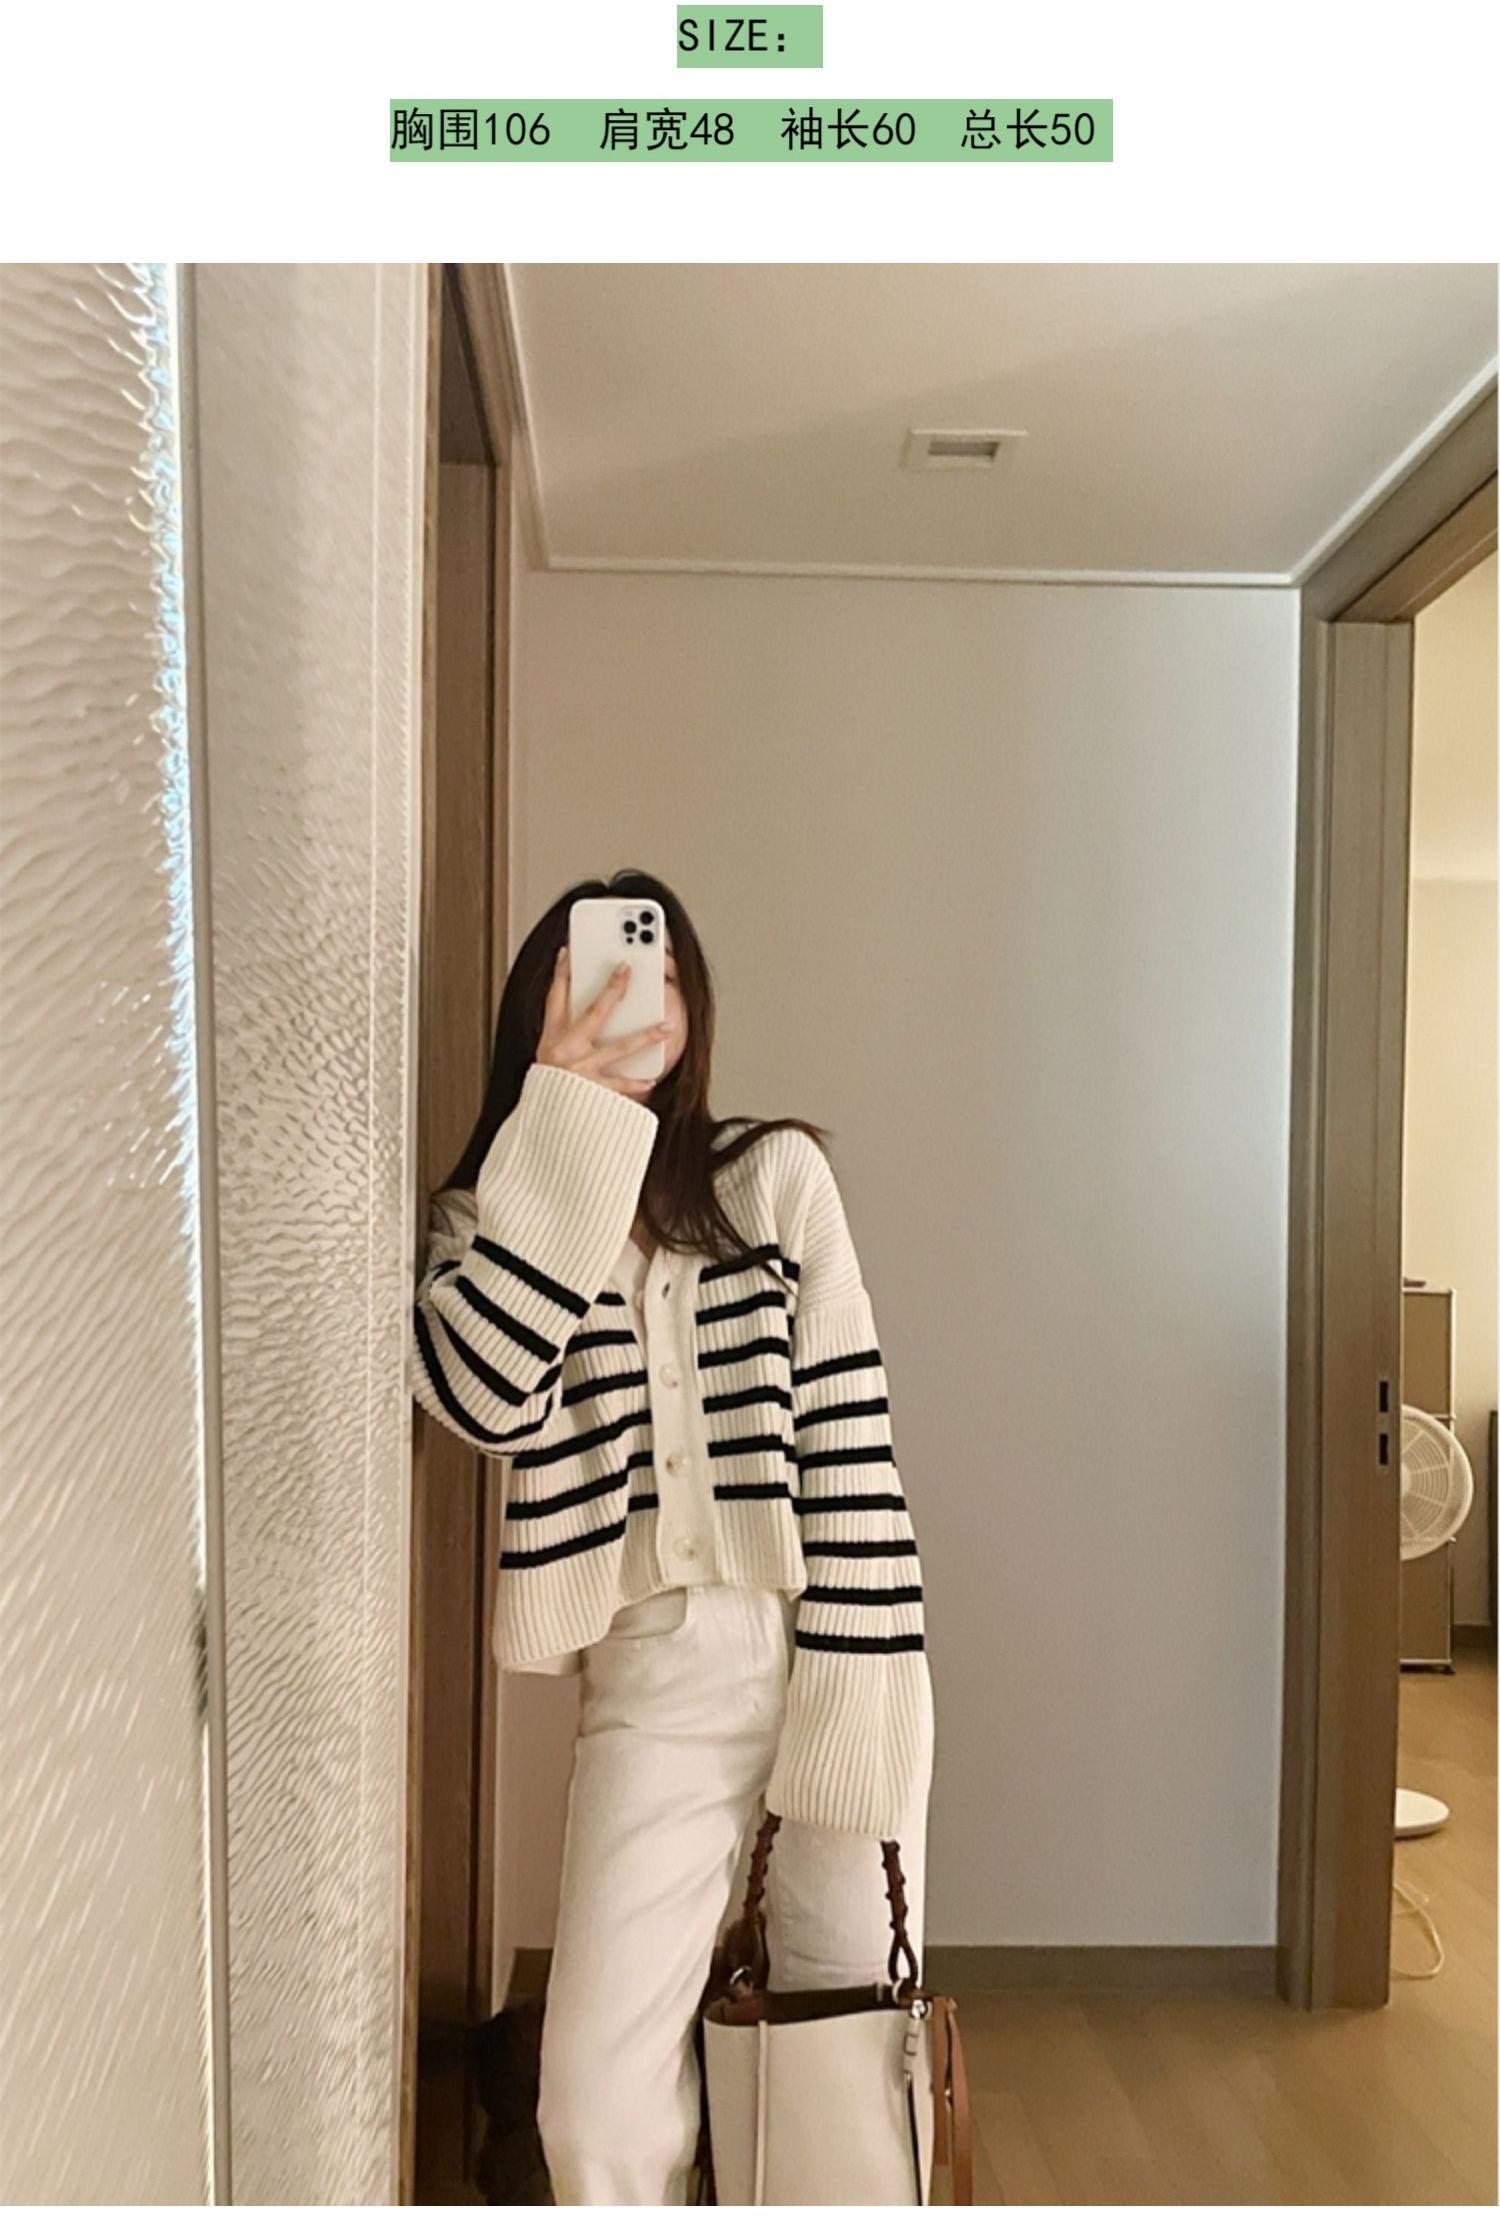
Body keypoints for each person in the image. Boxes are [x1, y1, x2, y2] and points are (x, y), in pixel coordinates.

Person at [410, 869, 935, 2205]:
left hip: (829, 1646)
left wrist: (857, 1693)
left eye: (658, 978)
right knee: (594, 2104)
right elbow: (485, 1397)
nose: (631, 1001)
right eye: (589, 980)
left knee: (834, 2080)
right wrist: (568, 1125)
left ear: (694, 1011)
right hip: (651, 1676)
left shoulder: (775, 1177)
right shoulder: (487, 1220)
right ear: (537, 1014)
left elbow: (854, 1448)